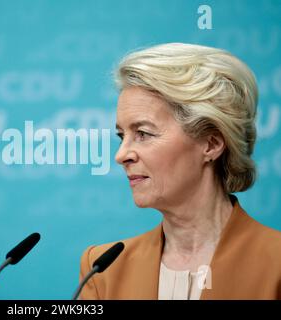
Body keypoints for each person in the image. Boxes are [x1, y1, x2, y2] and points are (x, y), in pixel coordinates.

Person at [78, 43, 281, 300]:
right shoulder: (103, 270)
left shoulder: (275, 265)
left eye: (143, 133)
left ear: (211, 143)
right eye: (122, 136)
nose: (121, 155)